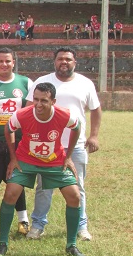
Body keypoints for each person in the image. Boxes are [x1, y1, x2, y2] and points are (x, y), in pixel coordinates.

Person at [0, 82, 86, 256]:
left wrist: (68, 156)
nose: (38, 104)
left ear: (53, 101)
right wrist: (13, 158)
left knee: (74, 196)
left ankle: (71, 245)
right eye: (35, 99)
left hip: (54, 161)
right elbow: (9, 128)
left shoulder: (64, 114)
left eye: (44, 100)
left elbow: (77, 128)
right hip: (25, 160)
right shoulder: (22, 114)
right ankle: (2, 243)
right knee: (10, 193)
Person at [26, 47, 101, 242]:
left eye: (68, 59)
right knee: (44, 187)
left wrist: (93, 136)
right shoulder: (43, 82)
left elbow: (96, 109)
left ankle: (81, 227)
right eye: (60, 59)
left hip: (75, 145)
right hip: (46, 145)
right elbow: (27, 110)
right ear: (54, 62)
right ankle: (37, 225)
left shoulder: (85, 83)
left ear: (75, 62)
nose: (64, 62)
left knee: (78, 186)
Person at [0, 48, 33, 235]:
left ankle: (23, 220)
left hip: (18, 142)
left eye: (8, 61)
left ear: (14, 62)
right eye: (0, 61)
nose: (4, 64)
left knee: (16, 180)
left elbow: (30, 113)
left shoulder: (25, 82)